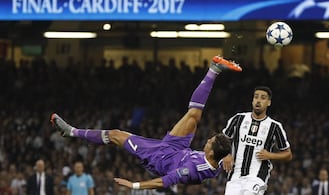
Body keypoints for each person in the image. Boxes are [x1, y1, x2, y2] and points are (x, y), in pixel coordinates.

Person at [51, 56, 242, 190]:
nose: (208, 139)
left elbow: (163, 182)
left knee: (116, 134)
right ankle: (214, 69)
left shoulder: (190, 171)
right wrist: (228, 155)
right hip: (177, 148)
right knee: (194, 115)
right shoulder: (214, 158)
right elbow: (224, 152)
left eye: (211, 141)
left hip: (159, 158)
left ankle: (72, 132)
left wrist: (134, 185)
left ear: (210, 152)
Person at [222, 86, 293, 195]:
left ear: (268, 102)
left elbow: (288, 154)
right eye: (256, 97)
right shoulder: (238, 119)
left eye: (263, 98)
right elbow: (223, 139)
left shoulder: (274, 127)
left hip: (257, 176)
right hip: (235, 175)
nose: (258, 100)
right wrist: (226, 154)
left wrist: (270, 155)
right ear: (252, 100)